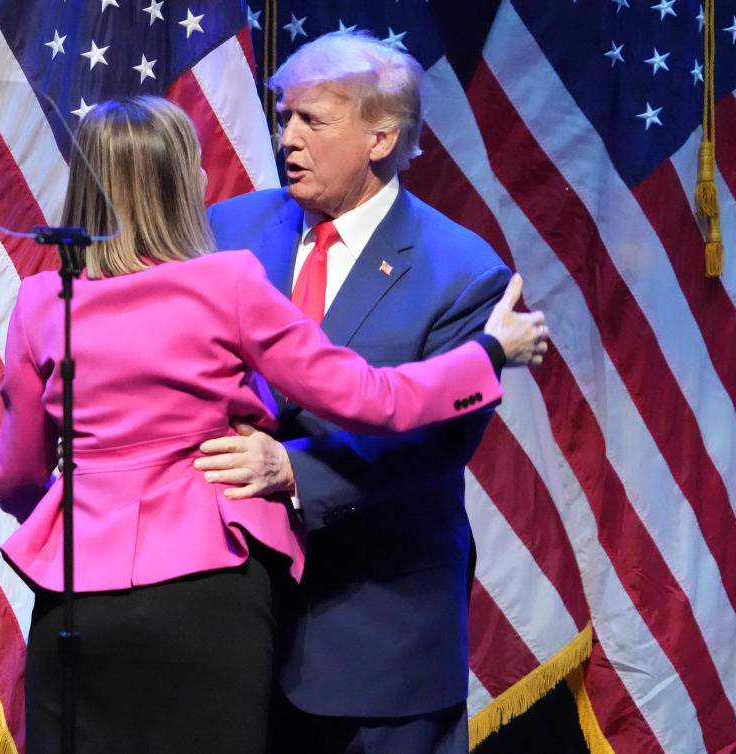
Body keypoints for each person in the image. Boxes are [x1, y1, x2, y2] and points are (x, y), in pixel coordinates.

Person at [0, 96, 546, 753]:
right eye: (193, 165)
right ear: (177, 187)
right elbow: (371, 398)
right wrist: (489, 354)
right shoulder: (228, 283)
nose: (204, 182)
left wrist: (85, 502)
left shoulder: (43, 303)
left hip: (77, 602)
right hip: (210, 597)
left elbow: (17, 474)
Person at [200, 32, 519, 753]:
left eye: (312, 120)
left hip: (381, 638)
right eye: (284, 118)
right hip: (236, 626)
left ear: (382, 135)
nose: (288, 139)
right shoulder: (228, 230)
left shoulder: (463, 272)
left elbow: (438, 441)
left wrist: (292, 472)